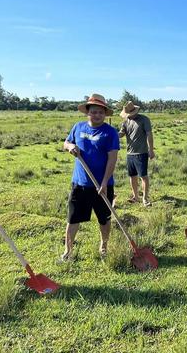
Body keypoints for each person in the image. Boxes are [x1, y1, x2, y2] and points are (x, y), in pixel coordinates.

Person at [62, 93, 120, 260]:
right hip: (80, 183)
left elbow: (112, 159)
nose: (97, 115)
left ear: (105, 113)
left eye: (100, 112)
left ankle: (104, 246)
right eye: (94, 111)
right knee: (73, 219)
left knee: (104, 219)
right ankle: (68, 251)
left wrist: (103, 183)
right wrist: (70, 146)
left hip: (103, 185)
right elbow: (65, 143)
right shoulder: (78, 127)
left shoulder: (110, 133)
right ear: (88, 112)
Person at [119, 101, 155, 207]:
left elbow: (149, 134)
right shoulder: (126, 121)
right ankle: (135, 197)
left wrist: (151, 150)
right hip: (130, 153)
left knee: (143, 176)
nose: (129, 116)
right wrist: (112, 134)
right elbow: (122, 133)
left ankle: (145, 198)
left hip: (141, 152)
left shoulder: (144, 119)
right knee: (132, 176)